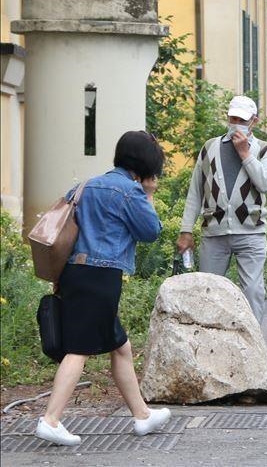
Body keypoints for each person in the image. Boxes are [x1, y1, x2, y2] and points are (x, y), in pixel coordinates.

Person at [35, 131, 171, 446]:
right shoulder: (129, 192)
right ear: (146, 164)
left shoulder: (84, 186)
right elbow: (150, 231)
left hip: (73, 273)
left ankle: (142, 416)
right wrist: (148, 193)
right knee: (78, 350)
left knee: (120, 346)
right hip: (101, 276)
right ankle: (51, 419)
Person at [177, 95, 267, 323]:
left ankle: (253, 346)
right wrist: (186, 230)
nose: (236, 123)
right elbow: (195, 191)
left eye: (242, 119)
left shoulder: (263, 149)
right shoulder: (210, 147)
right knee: (208, 293)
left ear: (254, 121)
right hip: (214, 233)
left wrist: (245, 154)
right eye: (233, 118)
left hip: (251, 232)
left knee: (253, 291)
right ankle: (209, 344)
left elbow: (266, 184)